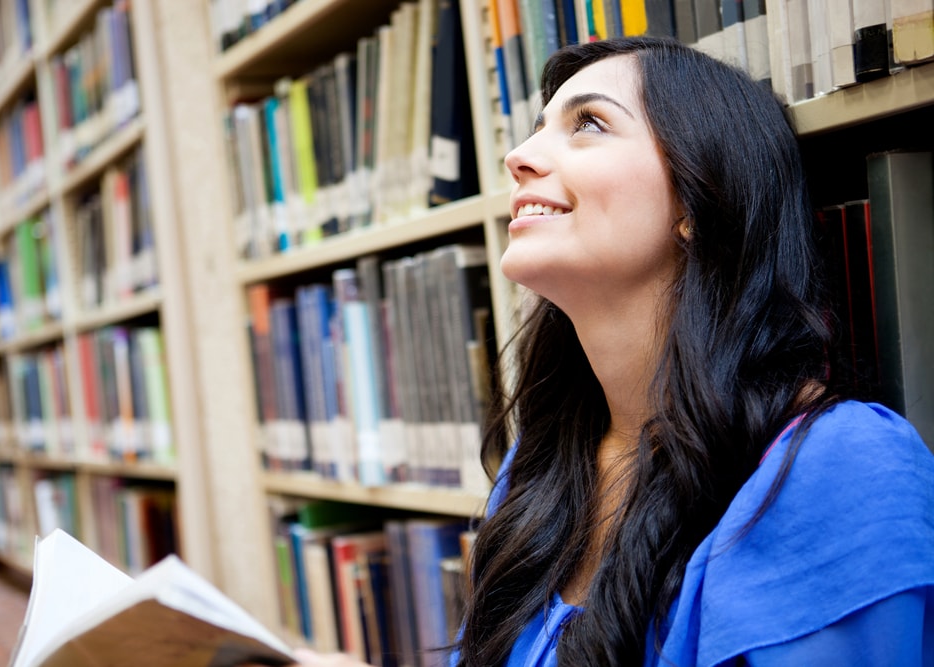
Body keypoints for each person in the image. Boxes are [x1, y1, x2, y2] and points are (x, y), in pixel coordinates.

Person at [293, 35, 934, 667]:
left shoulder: (841, 467)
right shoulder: (537, 466)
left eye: (590, 123)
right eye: (536, 130)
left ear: (696, 198)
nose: (518, 156)